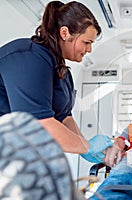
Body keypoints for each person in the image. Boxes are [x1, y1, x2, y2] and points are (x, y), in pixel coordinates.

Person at [0, 1, 112, 163]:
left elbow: (64, 117)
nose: (89, 50)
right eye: (86, 42)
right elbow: (39, 125)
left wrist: (84, 146)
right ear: (65, 33)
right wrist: (87, 147)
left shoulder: (61, 70)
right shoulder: (29, 57)